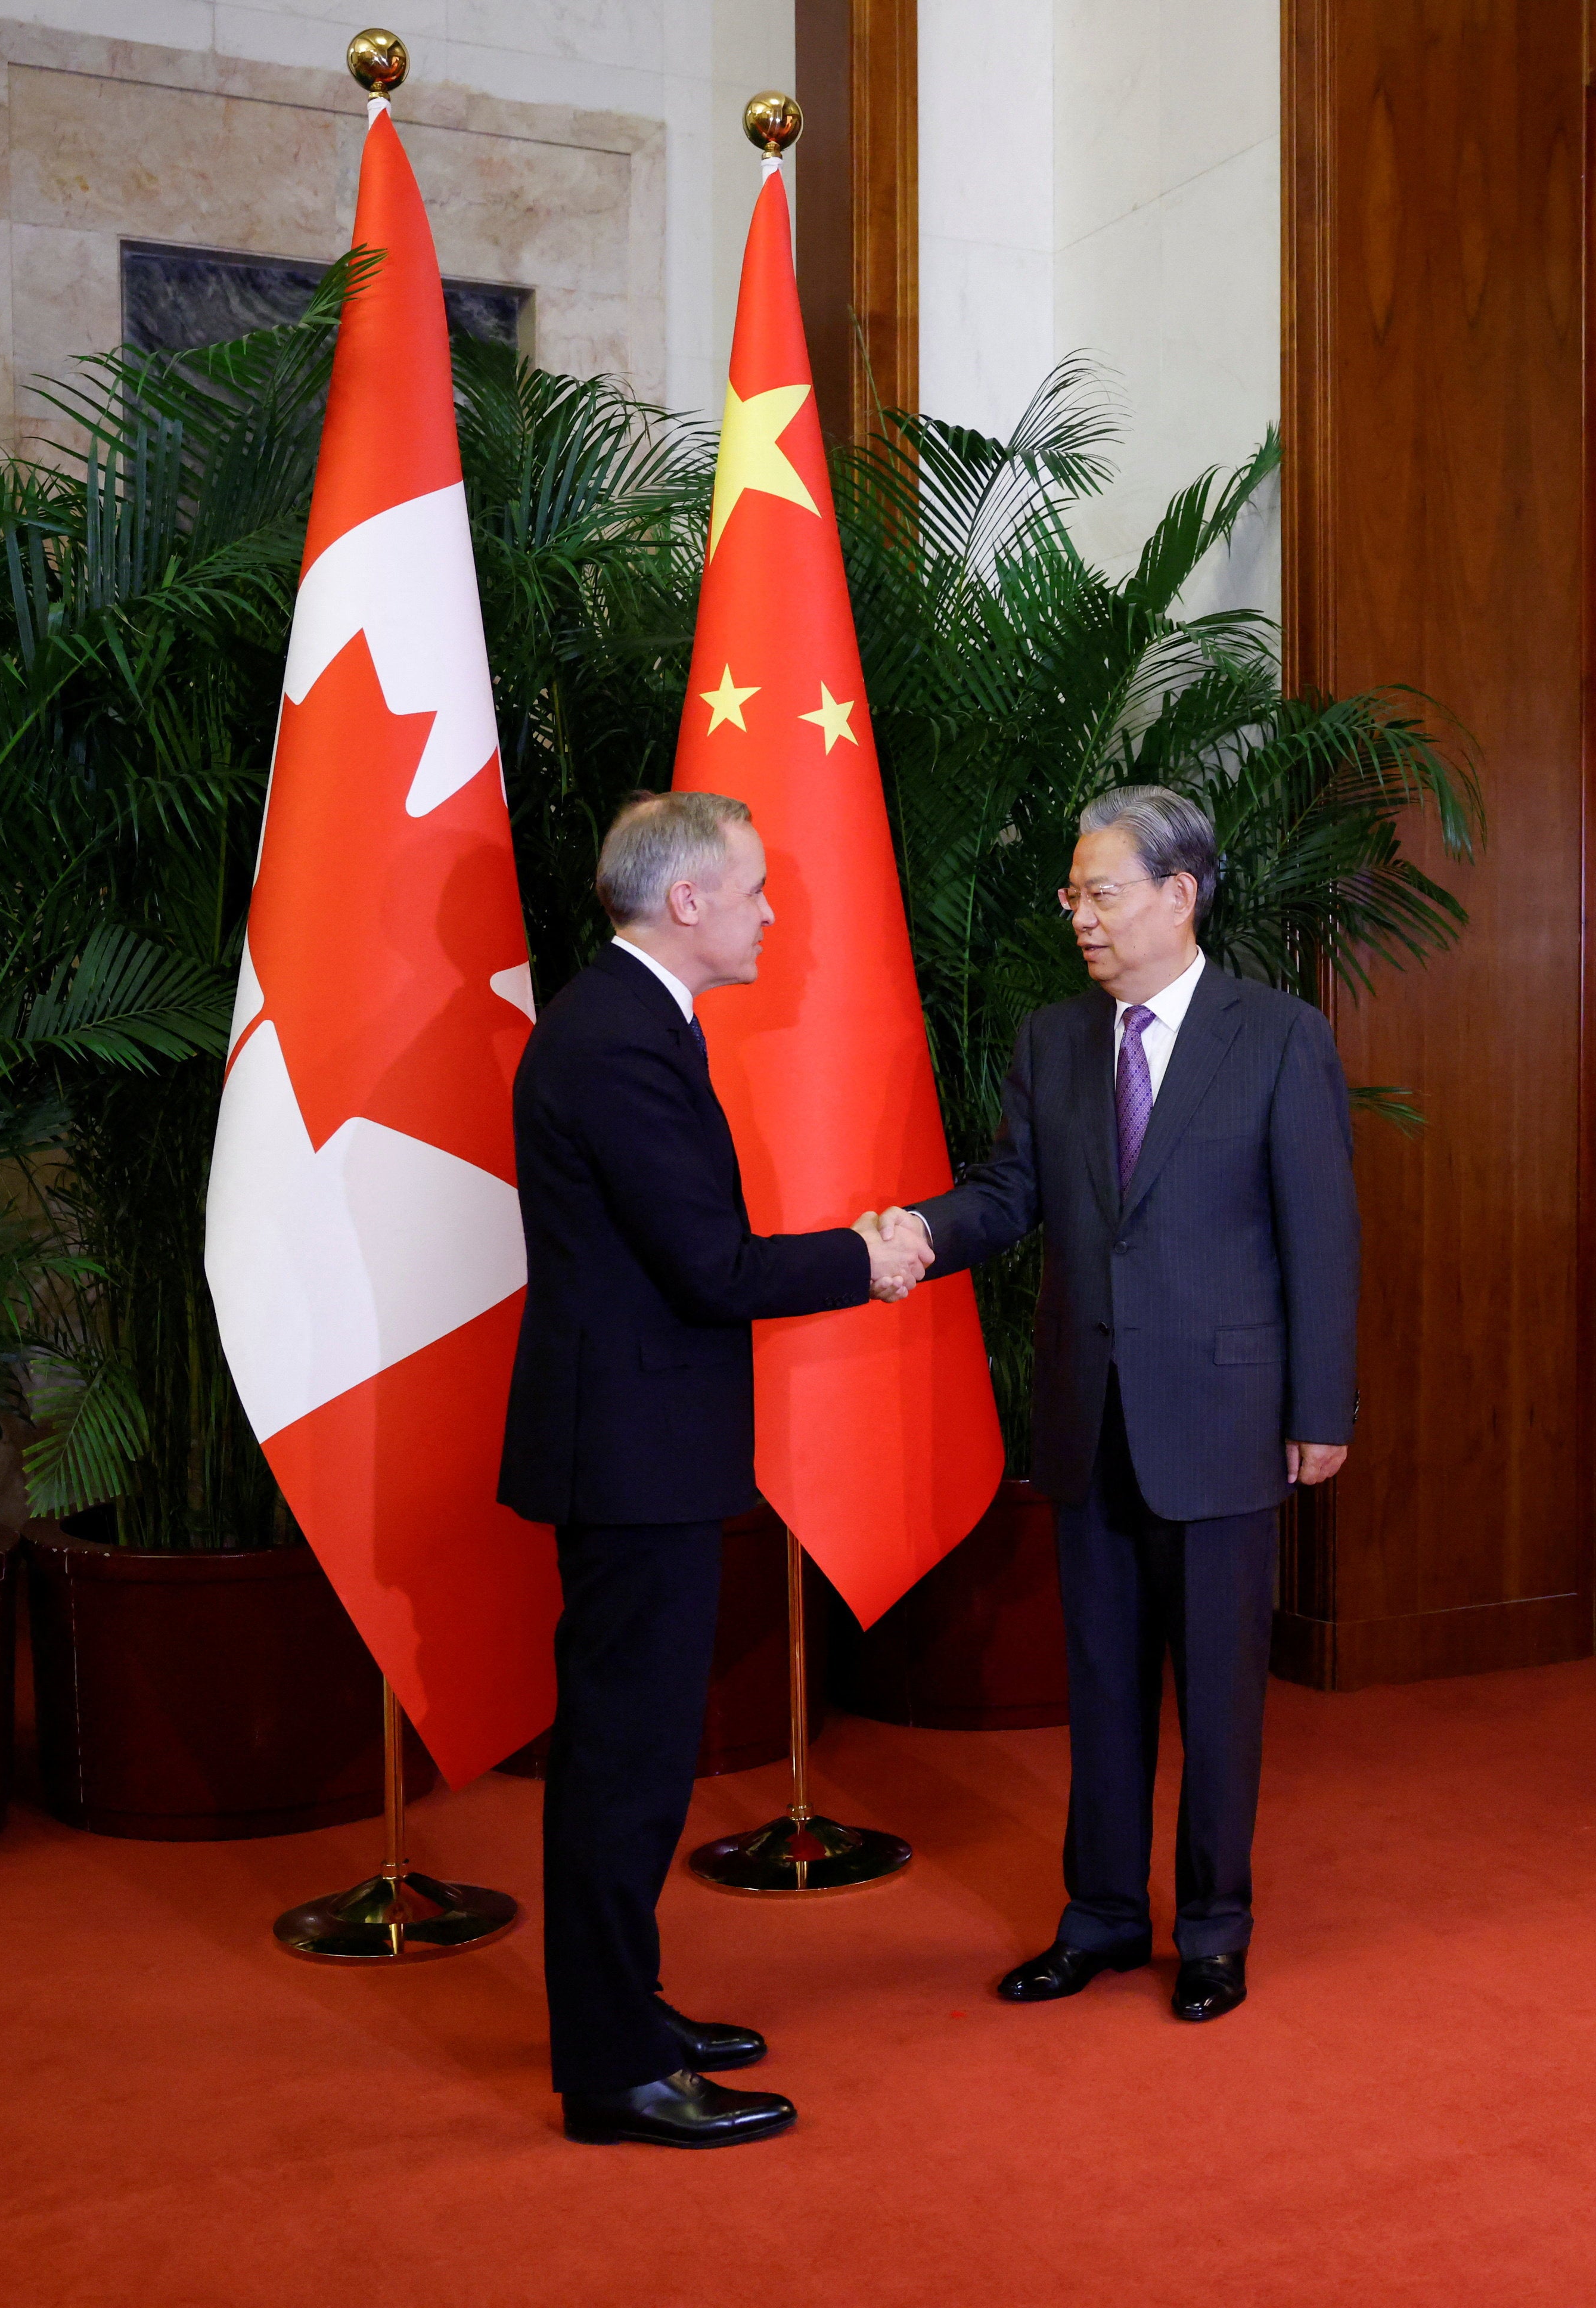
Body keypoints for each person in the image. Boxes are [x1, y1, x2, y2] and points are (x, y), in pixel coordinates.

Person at [871, 785, 1358, 2024]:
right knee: (1101, 1687)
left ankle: (1213, 1929)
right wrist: (916, 1231)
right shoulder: (1053, 1042)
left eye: (1099, 891)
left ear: (1179, 893)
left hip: (1227, 1420)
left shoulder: (1279, 1036)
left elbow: (1323, 1238)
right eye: (1072, 894)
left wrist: (1323, 1405)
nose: (1076, 913)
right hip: (1093, 1418)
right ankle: (1097, 1918)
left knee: (1221, 1694)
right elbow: (1009, 1193)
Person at [499, 790, 929, 2148]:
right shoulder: (618, 1039)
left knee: (637, 1757)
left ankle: (627, 2012)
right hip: (632, 1460)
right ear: (685, 901)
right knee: (624, 1767)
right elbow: (712, 1269)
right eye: (753, 888)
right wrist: (871, 1256)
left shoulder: (630, 1021)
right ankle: (616, 2073)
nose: (769, 911)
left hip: (645, 1449)